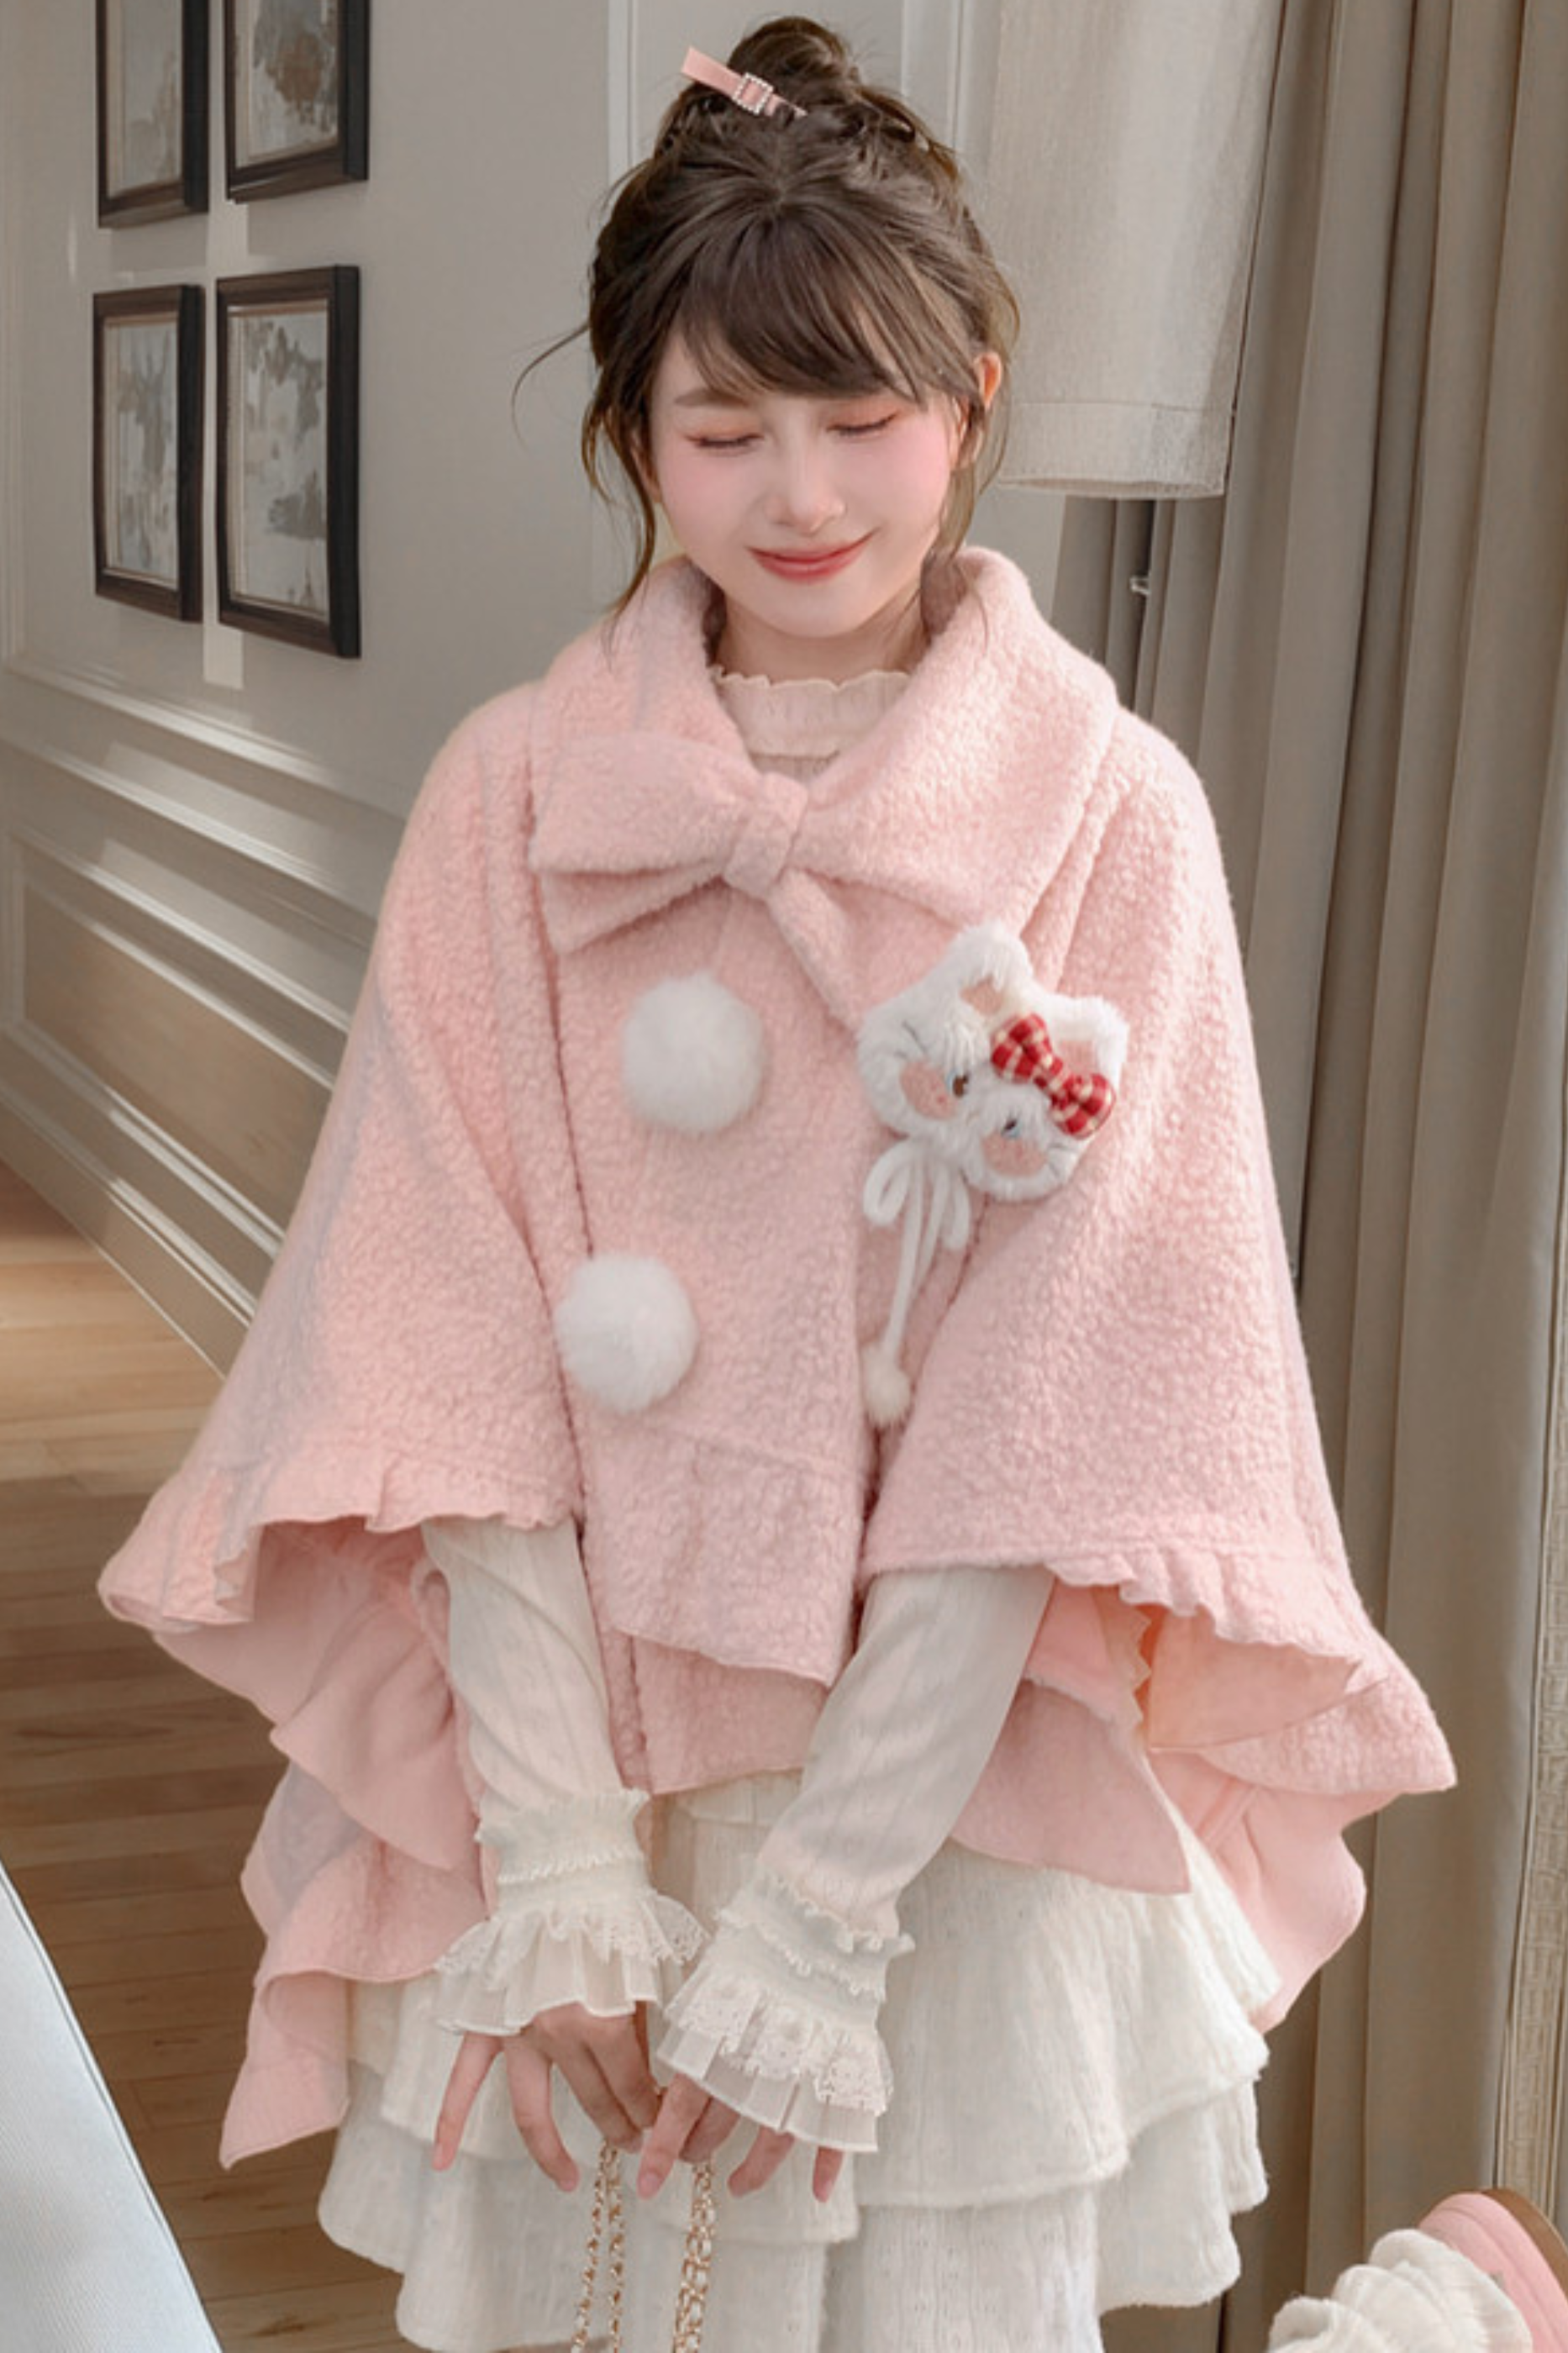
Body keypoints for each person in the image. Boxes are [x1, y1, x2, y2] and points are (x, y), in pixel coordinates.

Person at [100, 20, 1455, 2352]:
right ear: (637, 438)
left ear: (977, 399)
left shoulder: (1115, 818)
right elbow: (447, 1367)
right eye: (725, 429)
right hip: (586, 1766)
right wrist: (555, 1871)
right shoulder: (513, 798)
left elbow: (1054, 1435)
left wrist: (823, 1923)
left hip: (943, 1820)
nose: (801, 494)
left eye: (863, 415)